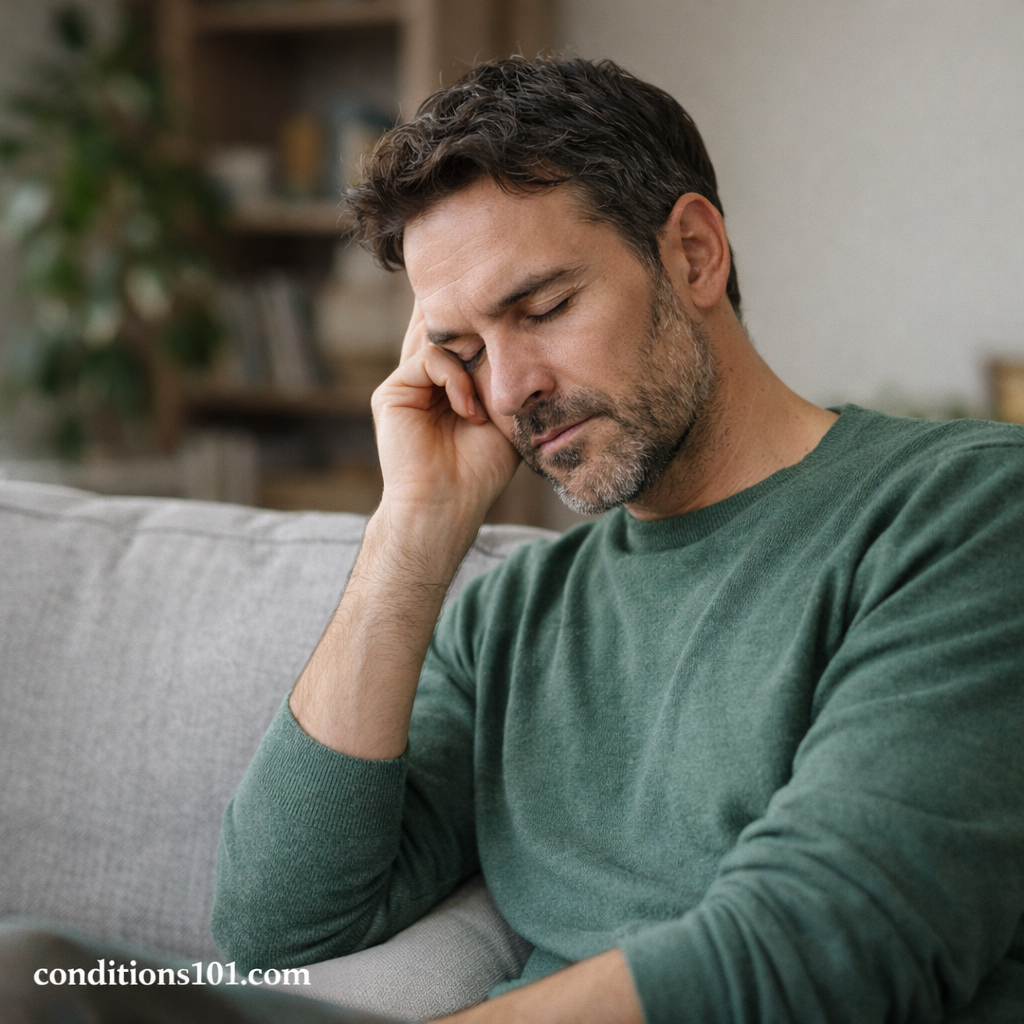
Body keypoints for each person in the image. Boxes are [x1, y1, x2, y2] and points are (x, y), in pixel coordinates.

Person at [211, 57, 1024, 1023]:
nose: (509, 390)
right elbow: (276, 928)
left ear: (692, 253)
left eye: (544, 308)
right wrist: (410, 533)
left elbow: (838, 939)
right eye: (464, 351)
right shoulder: (512, 618)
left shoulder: (967, 508)